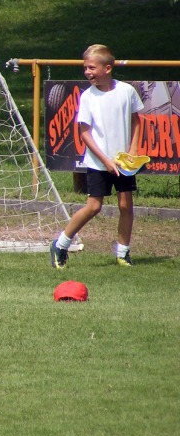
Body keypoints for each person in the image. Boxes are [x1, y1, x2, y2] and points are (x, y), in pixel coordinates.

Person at [50, 44, 144, 269]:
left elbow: (136, 120)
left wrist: (132, 150)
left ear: (108, 68)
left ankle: (123, 253)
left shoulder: (126, 91)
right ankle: (61, 244)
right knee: (94, 206)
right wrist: (105, 161)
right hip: (98, 162)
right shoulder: (88, 97)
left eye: (92, 67)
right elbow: (84, 133)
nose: (87, 72)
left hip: (122, 162)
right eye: (85, 68)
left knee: (125, 206)